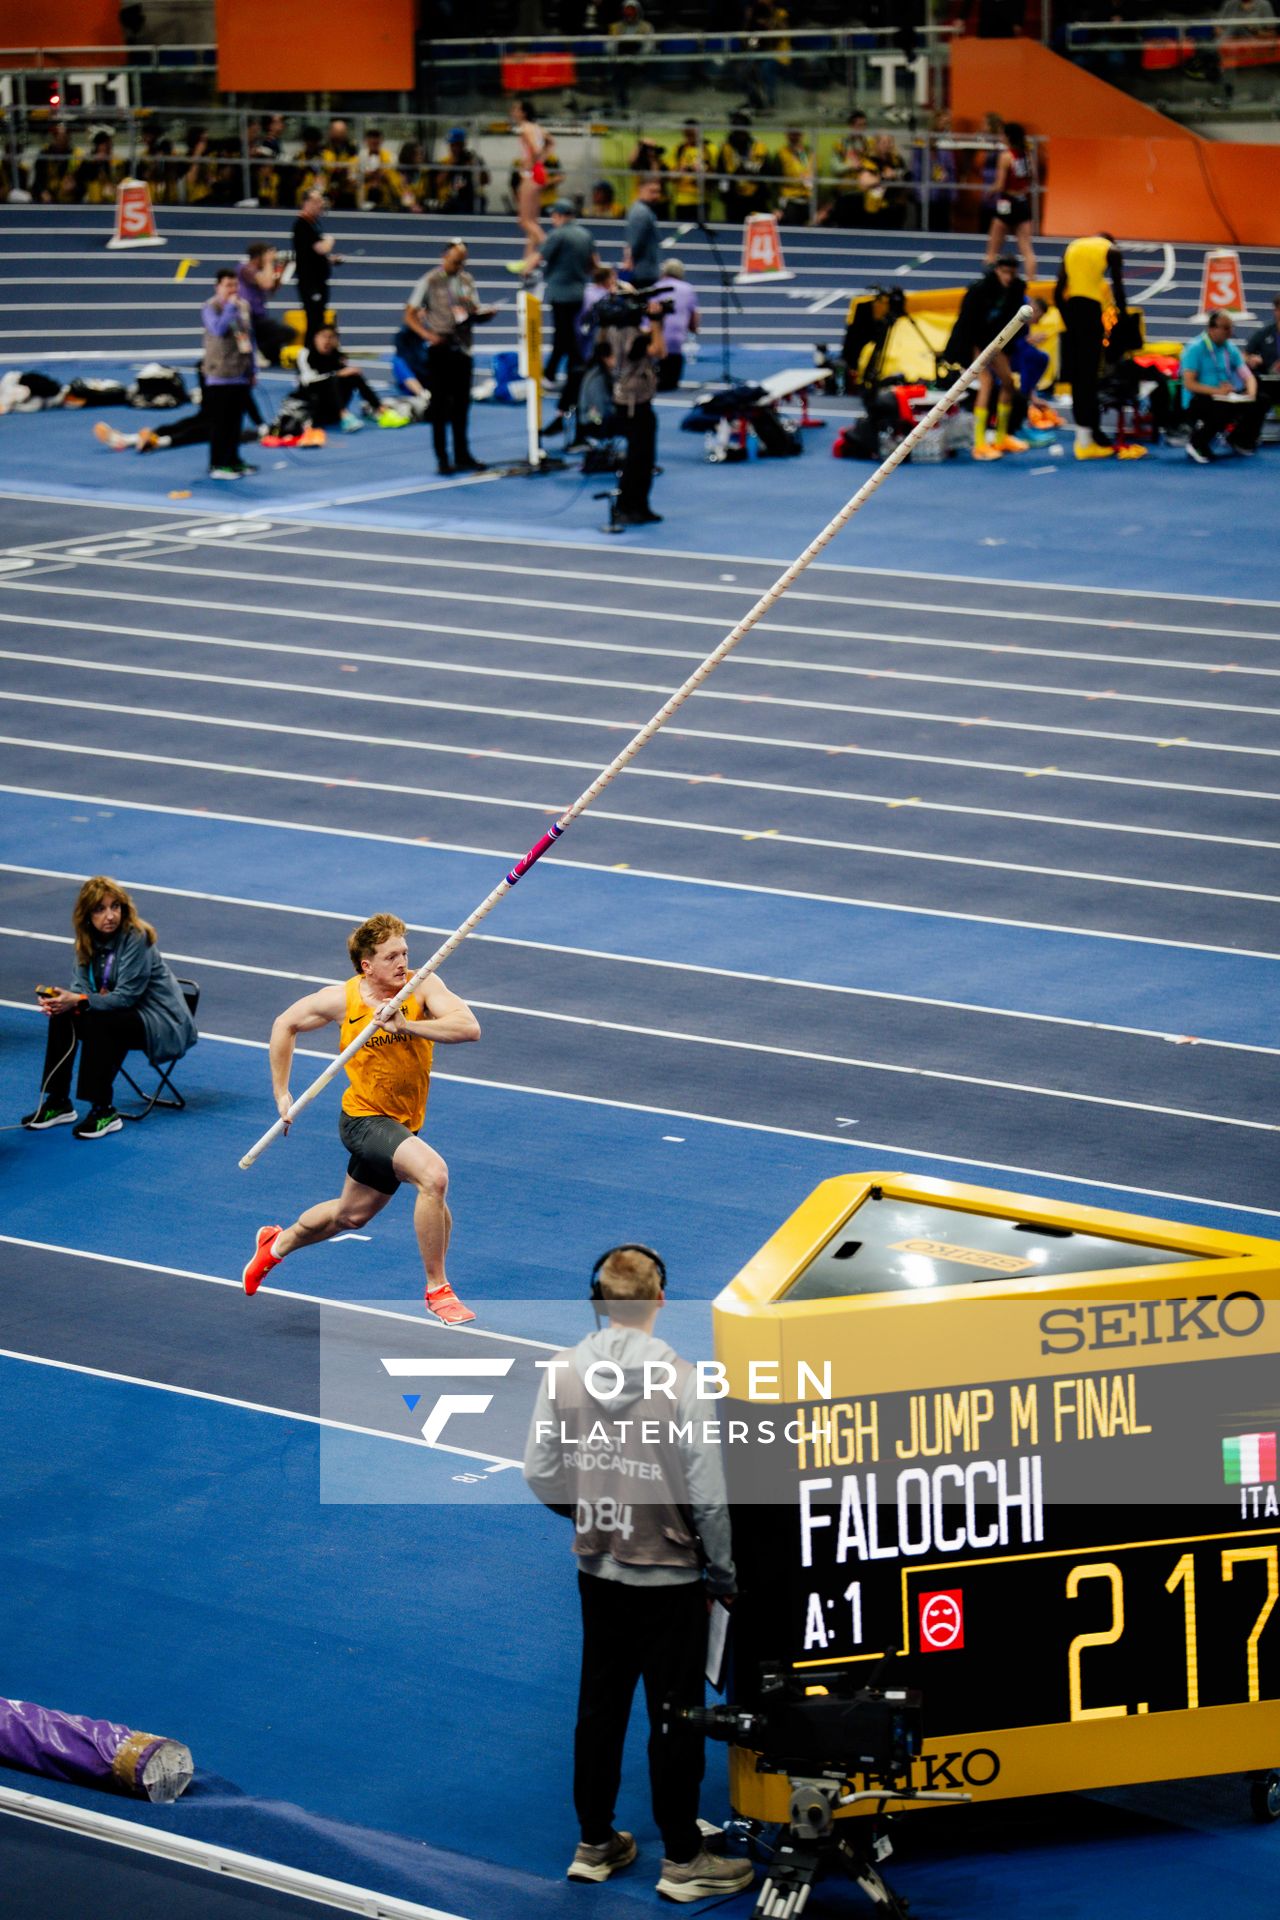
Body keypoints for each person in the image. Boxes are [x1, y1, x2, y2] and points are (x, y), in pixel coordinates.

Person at [523, 1244, 754, 1903]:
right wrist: (724, 1573)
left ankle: (595, 1842)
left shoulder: (564, 1371)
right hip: (671, 1577)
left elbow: (539, 1472)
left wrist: (591, 1511)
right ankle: (682, 1856)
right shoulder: (683, 1382)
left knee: (599, 1706)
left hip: (598, 1569)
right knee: (674, 1713)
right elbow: (710, 1499)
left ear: (596, 1302)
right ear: (660, 1300)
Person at [241, 912, 480, 1324]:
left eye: (404, 952)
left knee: (350, 1216)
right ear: (366, 965)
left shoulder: (422, 986)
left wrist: (407, 1027)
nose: (402, 962)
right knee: (433, 1176)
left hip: (402, 1123)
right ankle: (438, 1289)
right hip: (364, 1120)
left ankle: (275, 1245)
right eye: (391, 957)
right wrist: (282, 1093)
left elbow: (468, 1027)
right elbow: (286, 1024)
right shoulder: (343, 999)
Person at [21, 876, 197, 1142]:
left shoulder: (137, 938)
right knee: (63, 1015)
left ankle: (104, 1110)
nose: (110, 915)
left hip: (161, 1020)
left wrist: (82, 998)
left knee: (100, 1021)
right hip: (121, 1015)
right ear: (87, 914)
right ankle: (58, 1102)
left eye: (115, 907)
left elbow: (124, 997)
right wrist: (62, 1001)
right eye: (100, 909)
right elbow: (80, 988)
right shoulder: (85, 941)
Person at [405, 240, 496, 475]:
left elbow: (473, 311)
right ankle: (442, 458)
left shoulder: (467, 280)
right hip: (441, 349)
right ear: (444, 256)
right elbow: (409, 314)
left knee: (462, 405)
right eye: (456, 261)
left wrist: (485, 315)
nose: (459, 266)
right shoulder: (429, 281)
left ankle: (463, 455)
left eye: (463, 262)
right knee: (440, 405)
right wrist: (427, 335)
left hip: (463, 349)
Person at [1055, 231, 1131, 461]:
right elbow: (1118, 289)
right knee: (1089, 378)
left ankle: (1084, 437)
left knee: (1078, 379)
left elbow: (1058, 291)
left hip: (1072, 311)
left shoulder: (1073, 246)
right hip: (1090, 314)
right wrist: (1125, 321)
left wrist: (1069, 321)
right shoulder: (1112, 251)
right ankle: (1088, 442)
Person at [946, 257, 1029, 461]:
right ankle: (979, 443)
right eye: (1004, 273)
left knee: (1008, 384)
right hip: (974, 340)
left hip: (997, 341)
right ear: (997, 271)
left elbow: (1012, 321)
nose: (1008, 277)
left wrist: (1005, 348)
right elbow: (967, 322)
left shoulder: (1016, 290)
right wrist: (969, 352)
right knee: (987, 383)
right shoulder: (979, 290)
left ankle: (1001, 438)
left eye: (1011, 273)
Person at [597, 288, 666, 525]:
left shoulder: (614, 331)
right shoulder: (630, 336)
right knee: (638, 459)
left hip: (629, 401)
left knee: (641, 459)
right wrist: (656, 321)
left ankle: (638, 505)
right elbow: (659, 350)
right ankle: (628, 506)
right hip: (634, 404)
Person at [540, 200, 598, 434]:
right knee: (574, 335)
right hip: (578, 292)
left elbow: (541, 256)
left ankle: (552, 371)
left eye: (553, 214)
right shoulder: (585, 235)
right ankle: (564, 368)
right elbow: (593, 263)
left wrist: (525, 268)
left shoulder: (558, 235)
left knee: (562, 335)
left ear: (561, 215)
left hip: (560, 292)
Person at [1179, 311, 1265, 462]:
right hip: (1197, 398)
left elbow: (1248, 376)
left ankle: (1237, 439)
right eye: (1225, 328)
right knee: (1221, 407)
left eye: (1231, 328)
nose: (1230, 332)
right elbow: (1189, 383)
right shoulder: (1195, 348)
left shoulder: (1229, 348)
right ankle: (1196, 444)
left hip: (1225, 395)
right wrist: (1217, 391)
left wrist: (1250, 394)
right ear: (1212, 328)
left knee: (1260, 400)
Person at [201, 268, 257, 480]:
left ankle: (233, 460)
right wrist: (230, 309)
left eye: (235, 285)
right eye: (228, 286)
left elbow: (249, 339)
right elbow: (218, 329)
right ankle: (217, 464)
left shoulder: (243, 307)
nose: (233, 290)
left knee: (235, 423)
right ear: (218, 287)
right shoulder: (210, 308)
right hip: (219, 376)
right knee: (221, 423)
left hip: (240, 374)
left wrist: (253, 369)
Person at [295, 324, 387, 430]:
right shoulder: (305, 354)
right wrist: (337, 374)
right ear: (316, 338)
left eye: (331, 337)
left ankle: (380, 409)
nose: (327, 341)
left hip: (333, 405)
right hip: (312, 404)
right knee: (334, 380)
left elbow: (343, 376)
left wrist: (345, 372)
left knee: (353, 375)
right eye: (323, 336)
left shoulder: (337, 356)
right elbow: (307, 381)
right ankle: (345, 416)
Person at [984, 122, 1036, 280]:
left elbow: (1000, 185)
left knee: (993, 248)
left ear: (1007, 137)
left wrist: (989, 192)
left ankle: (990, 281)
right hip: (1022, 202)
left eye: (1002, 134)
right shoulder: (1027, 155)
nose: (1000, 137)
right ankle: (1032, 281)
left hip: (1007, 203)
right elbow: (1032, 177)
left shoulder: (1006, 156)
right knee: (1026, 249)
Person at [293, 188, 339, 348]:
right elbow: (320, 248)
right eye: (316, 201)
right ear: (306, 203)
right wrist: (329, 240)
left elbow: (314, 253)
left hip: (319, 281)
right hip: (310, 283)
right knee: (314, 322)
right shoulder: (302, 225)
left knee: (318, 320)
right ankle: (309, 357)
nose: (320, 205)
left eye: (321, 201)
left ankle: (316, 355)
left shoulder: (313, 224)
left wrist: (329, 260)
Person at [512, 99, 549, 275]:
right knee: (533, 221)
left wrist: (529, 164)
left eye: (516, 109)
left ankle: (549, 246)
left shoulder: (525, 128)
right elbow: (550, 142)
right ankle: (527, 262)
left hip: (531, 174)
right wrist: (541, 161)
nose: (513, 112)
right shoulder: (538, 128)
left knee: (525, 221)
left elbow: (534, 148)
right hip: (539, 172)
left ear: (524, 112)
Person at [237, 242, 290, 366]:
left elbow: (272, 288)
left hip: (259, 315)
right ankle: (256, 350)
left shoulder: (258, 270)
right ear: (258, 257)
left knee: (283, 339)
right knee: (282, 332)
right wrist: (268, 262)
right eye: (266, 255)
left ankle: (263, 349)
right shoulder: (246, 268)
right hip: (248, 316)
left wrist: (283, 269)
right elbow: (267, 284)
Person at [652, 257, 700, 391]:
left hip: (657, 337)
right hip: (677, 339)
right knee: (672, 383)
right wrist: (693, 328)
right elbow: (694, 314)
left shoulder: (657, 287)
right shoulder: (688, 289)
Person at [717, 113, 769, 227]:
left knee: (757, 232)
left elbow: (768, 171)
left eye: (742, 128)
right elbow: (721, 173)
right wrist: (725, 194)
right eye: (737, 129)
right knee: (734, 232)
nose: (740, 134)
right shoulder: (725, 147)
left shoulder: (759, 145)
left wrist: (753, 173)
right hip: (734, 198)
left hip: (757, 197)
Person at [608, 0, 656, 110]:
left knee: (623, 73)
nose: (629, 16)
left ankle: (624, 103)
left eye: (632, 12)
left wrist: (637, 59)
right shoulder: (615, 27)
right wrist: (618, 58)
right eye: (627, 13)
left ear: (638, 12)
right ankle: (623, 103)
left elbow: (649, 46)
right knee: (621, 73)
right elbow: (610, 46)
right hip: (620, 60)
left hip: (640, 60)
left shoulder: (646, 26)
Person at [359, 126, 417, 212]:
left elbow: (398, 182)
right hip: (363, 200)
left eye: (377, 138)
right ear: (366, 140)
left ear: (381, 140)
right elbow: (353, 180)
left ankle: (410, 205)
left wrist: (385, 176)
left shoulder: (391, 158)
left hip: (387, 200)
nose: (374, 141)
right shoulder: (359, 158)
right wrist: (369, 176)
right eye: (371, 138)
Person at [622, 175, 663, 289]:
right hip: (643, 273)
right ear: (640, 189)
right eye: (652, 191)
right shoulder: (641, 212)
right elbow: (634, 242)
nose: (656, 196)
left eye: (658, 192)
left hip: (644, 271)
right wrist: (629, 260)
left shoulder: (643, 210)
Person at [438, 127, 488, 216]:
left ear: (462, 144)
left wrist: (475, 168)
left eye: (455, 145)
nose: (452, 148)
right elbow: (439, 182)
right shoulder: (447, 161)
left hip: (472, 199)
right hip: (454, 200)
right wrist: (450, 165)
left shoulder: (473, 159)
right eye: (451, 145)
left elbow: (485, 181)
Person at [669, 123, 712, 225]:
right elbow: (671, 176)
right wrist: (681, 170)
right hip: (682, 200)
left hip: (702, 200)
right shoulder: (679, 149)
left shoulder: (708, 149)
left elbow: (713, 175)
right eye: (686, 134)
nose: (689, 137)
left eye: (692, 134)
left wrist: (700, 172)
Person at [776, 127, 814, 227]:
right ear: (787, 135)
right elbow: (775, 182)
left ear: (801, 135)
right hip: (789, 200)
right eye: (792, 134)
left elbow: (813, 174)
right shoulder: (781, 153)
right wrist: (775, 207)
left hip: (807, 199)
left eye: (797, 134)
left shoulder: (808, 153)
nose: (794, 137)